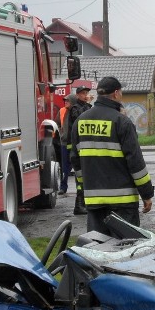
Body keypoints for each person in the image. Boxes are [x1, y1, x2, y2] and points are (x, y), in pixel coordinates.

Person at [70, 76, 154, 235]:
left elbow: (76, 161)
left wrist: (84, 187)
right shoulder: (122, 121)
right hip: (123, 202)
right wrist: (147, 194)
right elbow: (135, 162)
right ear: (116, 93)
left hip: (94, 201)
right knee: (126, 249)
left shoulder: (80, 121)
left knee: (97, 250)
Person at [64, 85, 92, 214]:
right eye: (83, 93)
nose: (85, 95)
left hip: (83, 148)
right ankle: (79, 206)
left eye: (86, 93)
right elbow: (82, 119)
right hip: (76, 148)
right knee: (80, 177)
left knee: (84, 177)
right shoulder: (76, 108)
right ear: (77, 95)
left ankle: (83, 204)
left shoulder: (86, 107)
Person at [57, 94, 73, 195]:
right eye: (65, 101)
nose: (65, 102)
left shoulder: (76, 111)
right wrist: (61, 132)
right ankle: (63, 187)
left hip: (74, 143)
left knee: (72, 164)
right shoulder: (62, 111)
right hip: (64, 142)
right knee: (64, 166)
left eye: (68, 100)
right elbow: (57, 123)